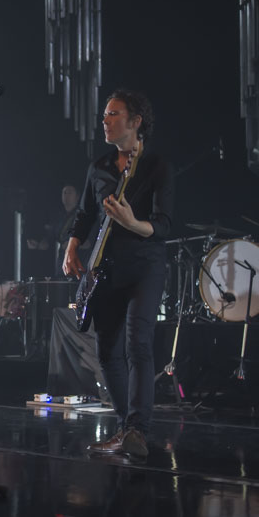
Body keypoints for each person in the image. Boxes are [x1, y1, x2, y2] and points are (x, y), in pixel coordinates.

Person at [62, 89, 173, 458]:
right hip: (105, 267)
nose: (104, 121)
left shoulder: (155, 165)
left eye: (113, 114)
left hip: (145, 264)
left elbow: (163, 225)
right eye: (104, 115)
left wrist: (131, 221)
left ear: (135, 121)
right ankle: (129, 429)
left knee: (137, 342)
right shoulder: (99, 168)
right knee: (106, 350)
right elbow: (85, 214)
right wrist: (72, 244)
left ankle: (138, 429)